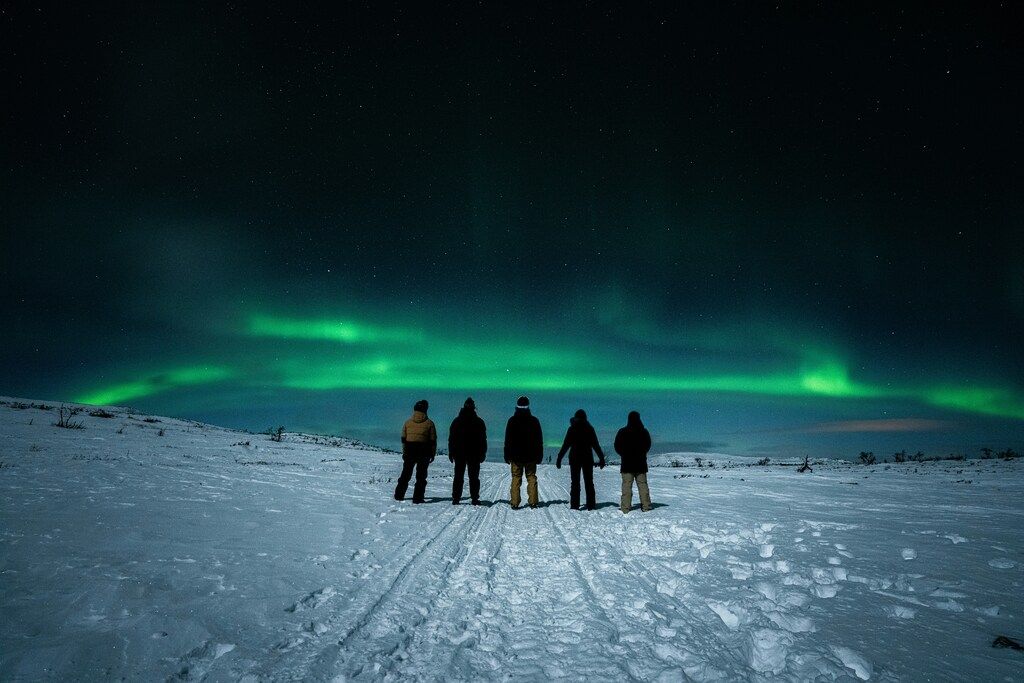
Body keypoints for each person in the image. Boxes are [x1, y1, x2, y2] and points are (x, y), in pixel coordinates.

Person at [556, 409, 605, 510]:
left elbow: (565, 445)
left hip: (574, 458)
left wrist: (559, 458)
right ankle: (591, 505)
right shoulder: (590, 429)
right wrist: (601, 458)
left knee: (575, 482)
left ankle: (574, 505)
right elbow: (596, 445)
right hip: (587, 458)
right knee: (589, 482)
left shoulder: (572, 429)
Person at [394, 399, 437, 503]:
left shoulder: (407, 423)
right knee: (421, 476)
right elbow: (433, 440)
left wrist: (404, 452)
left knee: (405, 474)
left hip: (410, 451)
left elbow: (403, 439)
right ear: (426, 409)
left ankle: (399, 495)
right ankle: (418, 498)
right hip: (424, 452)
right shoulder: (430, 423)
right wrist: (432, 454)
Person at [504, 396, 543, 509]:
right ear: (528, 406)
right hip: (531, 457)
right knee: (531, 477)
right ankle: (533, 501)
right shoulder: (534, 421)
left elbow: (507, 440)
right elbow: (539, 440)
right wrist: (539, 455)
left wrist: (507, 454)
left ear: (517, 406)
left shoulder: (512, 420)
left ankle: (515, 502)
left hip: (516, 457)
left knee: (516, 478)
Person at [448, 397, 487, 505]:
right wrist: (483, 453)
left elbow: (451, 438)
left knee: (458, 477)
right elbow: (483, 440)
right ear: (474, 408)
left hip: (459, 453)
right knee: (474, 477)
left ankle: (456, 498)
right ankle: (474, 498)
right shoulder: (479, 422)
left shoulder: (456, 421)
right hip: (474, 454)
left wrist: (451, 452)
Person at [614, 411, 653, 513]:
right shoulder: (644, 431)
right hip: (641, 464)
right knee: (643, 486)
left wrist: (623, 454)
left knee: (626, 486)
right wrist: (641, 453)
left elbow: (617, 446)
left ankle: (625, 508)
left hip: (627, 464)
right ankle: (646, 506)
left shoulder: (622, 431)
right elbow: (648, 445)